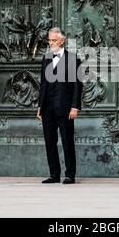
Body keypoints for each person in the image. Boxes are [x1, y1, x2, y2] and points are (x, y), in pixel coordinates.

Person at [37, 27, 83, 184]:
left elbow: (77, 84)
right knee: (49, 141)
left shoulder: (73, 58)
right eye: (49, 40)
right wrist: (39, 107)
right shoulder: (47, 58)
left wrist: (75, 107)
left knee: (67, 141)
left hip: (65, 108)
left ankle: (70, 174)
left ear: (62, 41)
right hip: (48, 108)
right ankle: (54, 174)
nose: (51, 43)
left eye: (54, 40)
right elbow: (43, 84)